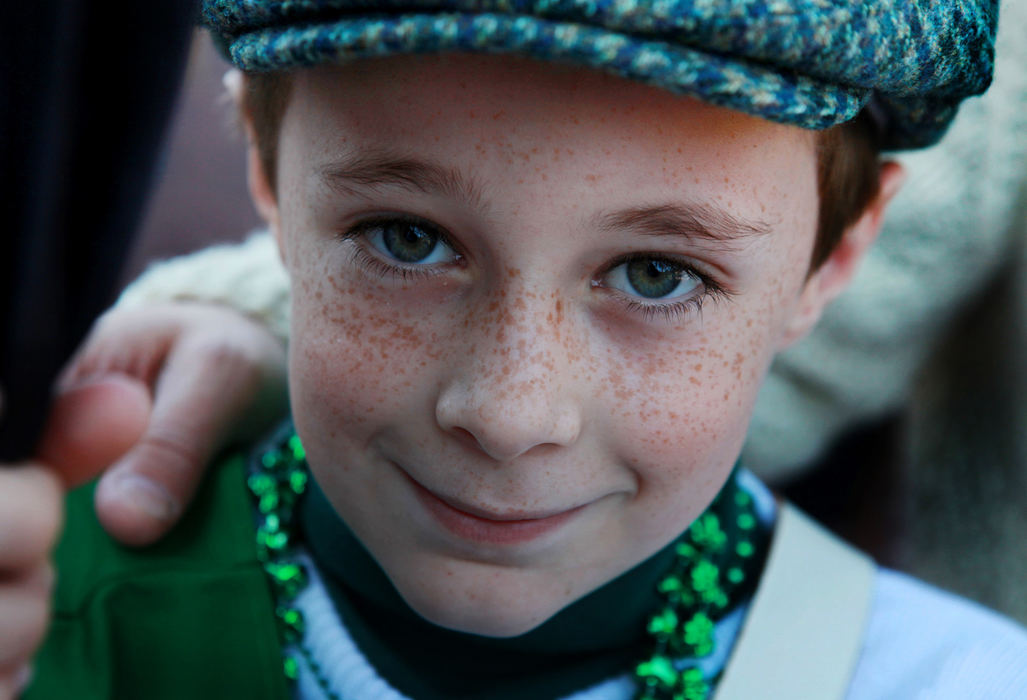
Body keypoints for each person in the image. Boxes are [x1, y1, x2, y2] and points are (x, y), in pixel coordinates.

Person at [9, 1, 1027, 698]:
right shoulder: (43, 623)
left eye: (656, 274)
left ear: (831, 257)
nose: (508, 410)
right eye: (407, 239)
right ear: (267, 177)